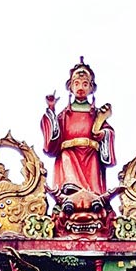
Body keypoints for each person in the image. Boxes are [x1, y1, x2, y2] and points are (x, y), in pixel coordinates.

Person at [41, 58, 115, 194]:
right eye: (77, 84)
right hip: (69, 151)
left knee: (93, 177)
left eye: (85, 84)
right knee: (66, 158)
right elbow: (54, 135)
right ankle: (70, 190)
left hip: (90, 152)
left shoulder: (97, 114)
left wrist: (102, 133)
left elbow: (108, 131)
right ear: (71, 87)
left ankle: (94, 196)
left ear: (91, 88)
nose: (81, 88)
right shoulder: (64, 114)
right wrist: (51, 109)